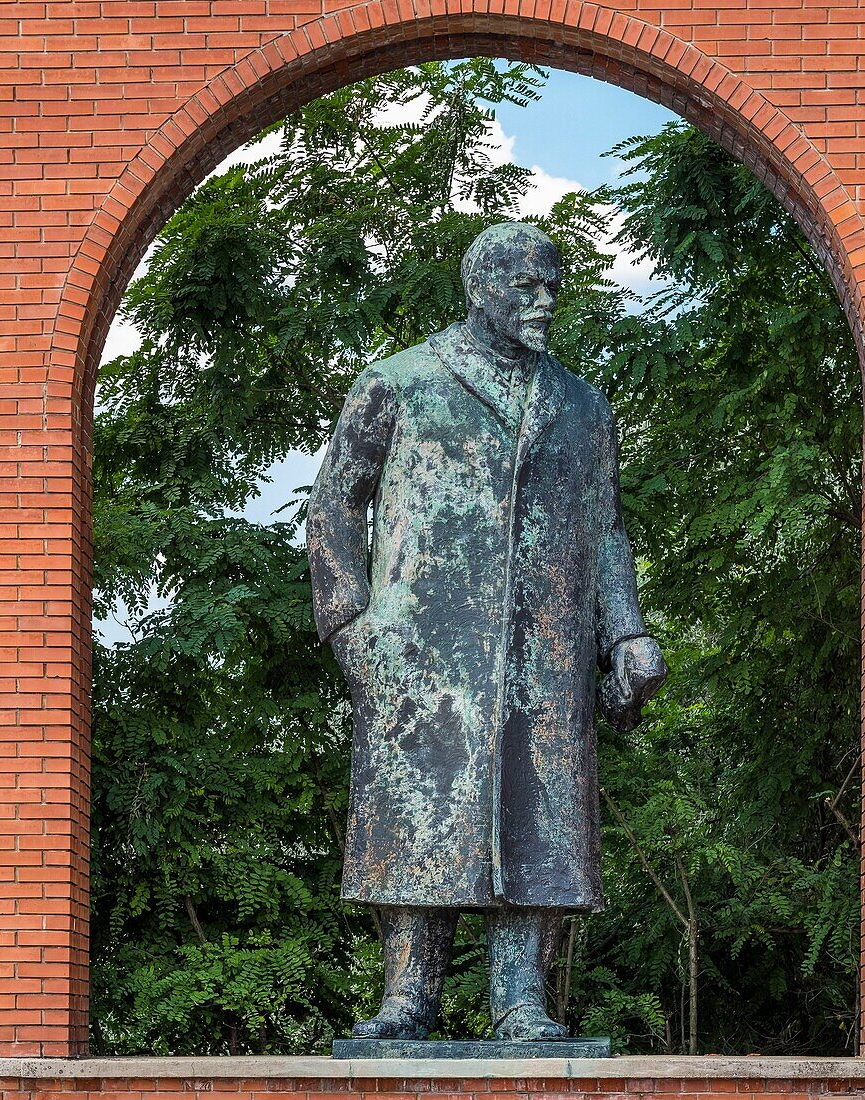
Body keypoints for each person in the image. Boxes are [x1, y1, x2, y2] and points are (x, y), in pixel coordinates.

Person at [308, 222, 666, 1041]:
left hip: (546, 647)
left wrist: (625, 634)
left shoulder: (582, 404)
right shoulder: (400, 382)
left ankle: (521, 1001)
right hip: (420, 650)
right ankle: (408, 998)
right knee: (416, 815)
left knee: (541, 816)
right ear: (480, 288)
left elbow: (606, 529)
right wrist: (352, 625)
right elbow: (334, 502)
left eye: (553, 286)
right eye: (525, 287)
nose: (544, 301)